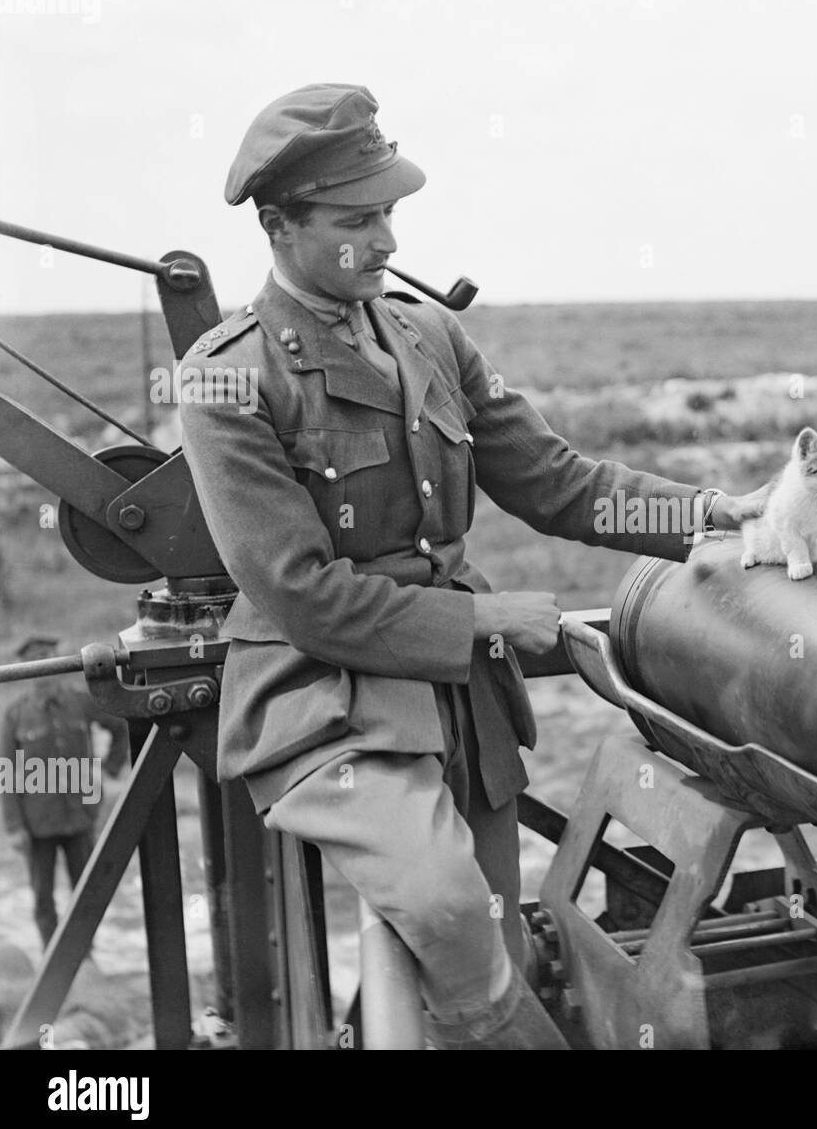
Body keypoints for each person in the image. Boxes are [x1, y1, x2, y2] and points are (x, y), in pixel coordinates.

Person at [178, 83, 767, 1049]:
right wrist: (490, 624)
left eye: (391, 214)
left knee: (490, 934)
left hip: (462, 706)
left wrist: (706, 515)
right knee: (448, 912)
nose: (389, 243)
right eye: (357, 221)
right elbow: (299, 595)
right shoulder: (227, 376)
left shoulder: (429, 335)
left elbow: (552, 480)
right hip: (323, 704)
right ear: (279, 226)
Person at [0, 635, 130, 949]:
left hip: (79, 814)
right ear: (25, 670)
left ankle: (84, 951)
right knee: (43, 894)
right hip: (38, 820)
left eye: (49, 661)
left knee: (86, 888)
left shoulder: (79, 701)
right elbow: (4, 771)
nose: (44, 674)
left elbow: (118, 726)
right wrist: (15, 827)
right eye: (36, 664)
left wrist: (109, 770)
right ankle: (51, 952)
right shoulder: (15, 714)